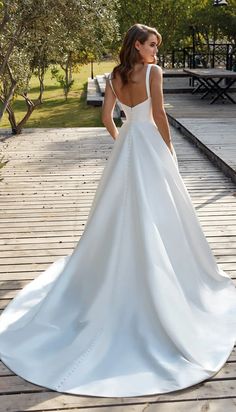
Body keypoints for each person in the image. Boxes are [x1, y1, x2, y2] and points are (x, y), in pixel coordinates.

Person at [0, 23, 236, 399]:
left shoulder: (113, 74)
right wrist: (168, 151)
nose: (156, 50)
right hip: (149, 147)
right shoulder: (153, 72)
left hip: (126, 148)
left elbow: (107, 118)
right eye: (152, 44)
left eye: (157, 45)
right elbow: (159, 116)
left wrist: (123, 140)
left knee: (116, 213)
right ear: (137, 45)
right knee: (160, 212)